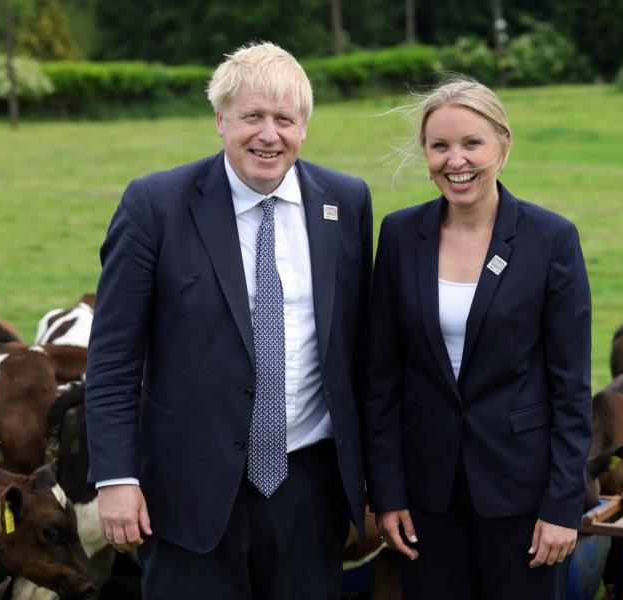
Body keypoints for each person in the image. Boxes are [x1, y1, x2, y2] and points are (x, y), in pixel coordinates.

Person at [84, 41, 373, 598]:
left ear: (305, 127)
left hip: (310, 490)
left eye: (285, 119)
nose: (269, 135)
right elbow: (114, 358)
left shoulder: (346, 202)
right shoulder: (155, 205)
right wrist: (117, 479)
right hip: (188, 489)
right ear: (220, 120)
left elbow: (362, 351)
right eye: (252, 117)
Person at [363, 78, 592, 599]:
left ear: (503, 145)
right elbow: (381, 378)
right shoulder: (400, 236)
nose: (455, 160)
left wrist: (563, 506)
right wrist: (389, 492)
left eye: (472, 143)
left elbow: (572, 388)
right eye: (439, 145)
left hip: (524, 499)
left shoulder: (550, 238)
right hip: (426, 499)